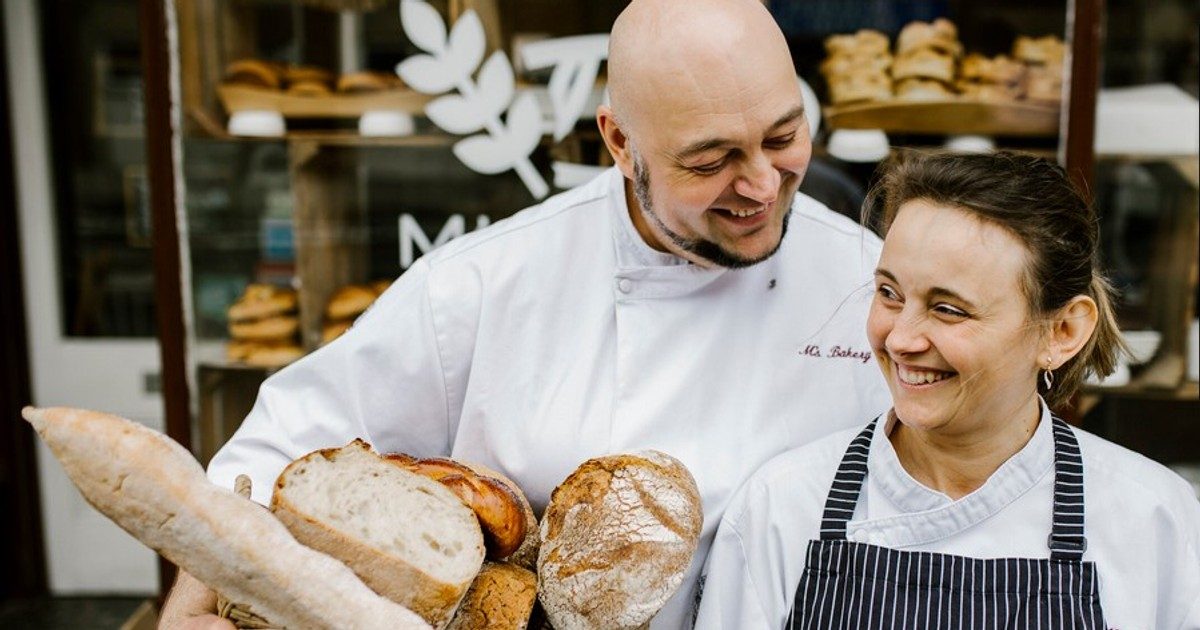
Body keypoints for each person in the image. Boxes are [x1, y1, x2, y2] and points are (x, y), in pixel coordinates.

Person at [160, 0, 892, 628]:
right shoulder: (484, 284)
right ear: (618, 142)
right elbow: (269, 460)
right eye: (710, 162)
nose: (763, 184)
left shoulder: (868, 280)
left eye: (783, 137)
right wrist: (190, 608)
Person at [694, 151, 1200, 629]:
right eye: (890, 294)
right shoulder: (782, 508)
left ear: (1061, 332)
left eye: (949, 309)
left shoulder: (1154, 520)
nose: (900, 339)